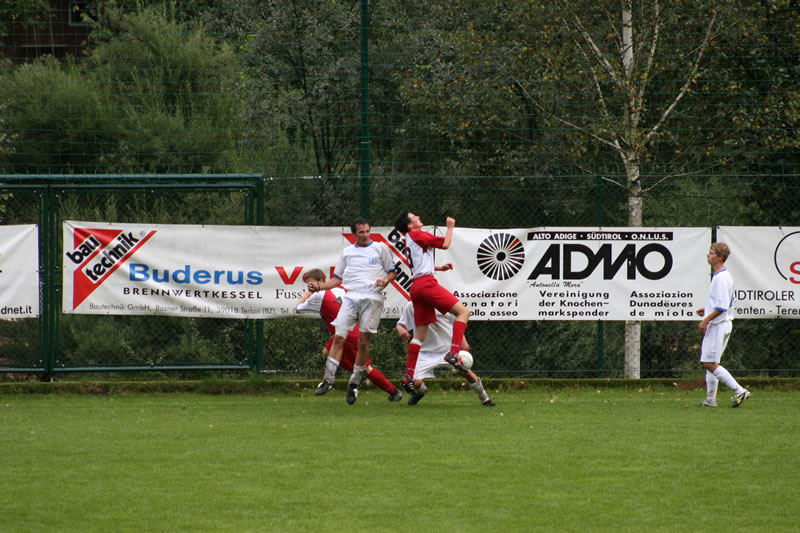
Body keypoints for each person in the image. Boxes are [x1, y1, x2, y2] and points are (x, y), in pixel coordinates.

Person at [307, 218, 398, 405]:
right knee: (338, 337)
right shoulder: (347, 253)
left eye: (367, 231)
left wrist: (386, 280)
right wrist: (320, 287)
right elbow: (337, 280)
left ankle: (354, 383)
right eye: (361, 232)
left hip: (372, 299)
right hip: (350, 298)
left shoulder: (380, 248)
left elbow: (392, 271)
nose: (365, 235)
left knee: (363, 342)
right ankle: (328, 380)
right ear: (354, 234)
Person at [392, 211, 471, 396]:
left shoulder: (409, 239)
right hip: (427, 284)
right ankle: (453, 354)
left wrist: (438, 268)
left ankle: (408, 375)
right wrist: (450, 227)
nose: (419, 216)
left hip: (416, 287)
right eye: (415, 217)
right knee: (463, 313)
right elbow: (445, 244)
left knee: (419, 335)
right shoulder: (418, 234)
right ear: (410, 225)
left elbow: (418, 263)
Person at [297, 269, 403, 402]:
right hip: (348, 331)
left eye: (310, 283)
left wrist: (306, 294)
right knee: (326, 351)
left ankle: (394, 391)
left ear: (320, 282)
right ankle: (351, 374)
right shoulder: (340, 288)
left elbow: (299, 308)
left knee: (366, 368)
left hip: (347, 335)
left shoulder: (319, 295)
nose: (309, 287)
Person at [396, 300, 494, 406]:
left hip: (447, 351)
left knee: (467, 374)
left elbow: (457, 324)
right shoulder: (412, 305)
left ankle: (485, 399)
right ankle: (420, 393)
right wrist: (400, 329)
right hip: (423, 352)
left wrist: (463, 344)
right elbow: (401, 323)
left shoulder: (445, 303)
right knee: (415, 384)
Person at [696, 242, 750, 408]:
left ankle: (739, 390)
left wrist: (706, 320)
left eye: (711, 253)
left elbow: (721, 306)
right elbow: (721, 302)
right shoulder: (723, 275)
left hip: (719, 325)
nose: (708, 255)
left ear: (720, 257)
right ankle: (710, 400)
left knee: (710, 363)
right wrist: (707, 309)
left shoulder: (720, 278)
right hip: (724, 323)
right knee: (711, 362)